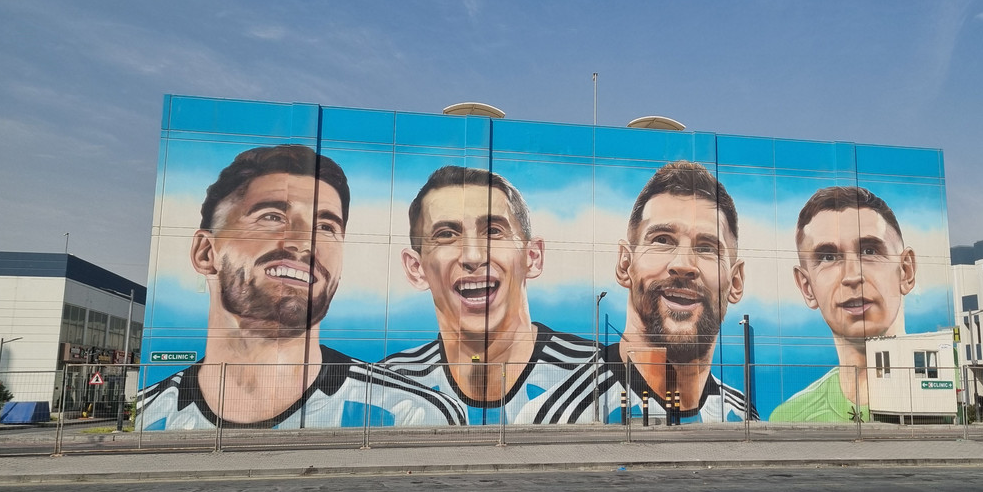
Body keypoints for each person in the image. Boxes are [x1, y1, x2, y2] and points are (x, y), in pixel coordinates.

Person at [139, 145, 467, 430]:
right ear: (205, 253)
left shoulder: (412, 412)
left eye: (325, 226)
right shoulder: (147, 413)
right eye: (272, 216)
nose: (303, 243)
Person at [384, 166, 611, 425]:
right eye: (446, 235)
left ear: (532, 257)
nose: (473, 256)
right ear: (416, 269)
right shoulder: (388, 383)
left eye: (493, 231)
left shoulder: (598, 371)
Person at [603, 161, 755, 423]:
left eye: (707, 247)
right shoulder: (561, 408)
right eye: (662, 240)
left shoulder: (745, 417)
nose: (683, 265)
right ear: (625, 263)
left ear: (736, 281)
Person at [769, 186, 917, 423]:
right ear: (807, 287)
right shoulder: (790, 418)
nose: (852, 276)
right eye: (828, 257)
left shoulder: (955, 386)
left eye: (869, 251)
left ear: (906, 271)